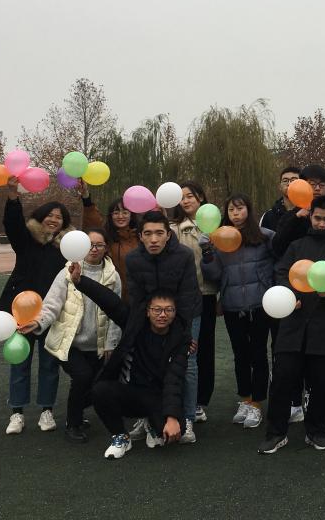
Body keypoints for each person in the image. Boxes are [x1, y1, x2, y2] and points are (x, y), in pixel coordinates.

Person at [259, 195, 325, 454]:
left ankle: (317, 431)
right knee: (282, 379)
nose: (322, 223)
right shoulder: (297, 245)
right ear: (311, 217)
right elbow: (282, 273)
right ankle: (276, 432)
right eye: (317, 218)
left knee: (322, 383)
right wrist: (289, 295)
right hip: (293, 327)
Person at [71, 265, 189, 460]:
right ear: (148, 312)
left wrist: (172, 417)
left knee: (176, 431)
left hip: (157, 396)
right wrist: (80, 281)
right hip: (130, 392)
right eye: (157, 310)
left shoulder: (180, 339)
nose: (162, 315)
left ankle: (152, 423)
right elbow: (111, 303)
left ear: (175, 312)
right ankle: (121, 436)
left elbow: (174, 379)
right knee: (100, 391)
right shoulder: (135, 323)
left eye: (168, 310)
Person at [19, 228, 122, 443]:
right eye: (90, 245)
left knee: (96, 385)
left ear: (106, 248)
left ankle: (77, 412)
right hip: (69, 343)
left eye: (99, 245)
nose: (94, 249)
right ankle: (72, 424)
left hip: (97, 345)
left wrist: (111, 343)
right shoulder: (67, 272)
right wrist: (38, 322)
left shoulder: (113, 276)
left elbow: (115, 312)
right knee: (82, 377)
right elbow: (52, 304)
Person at [0, 177, 71, 436]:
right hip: (21, 311)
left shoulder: (67, 248)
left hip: (52, 313)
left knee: (50, 364)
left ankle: (46, 410)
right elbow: (12, 223)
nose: (54, 219)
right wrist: (12, 195)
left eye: (59, 217)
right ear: (40, 217)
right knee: (19, 362)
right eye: (50, 215)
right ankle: (17, 412)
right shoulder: (26, 240)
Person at [201, 193, 276, 430]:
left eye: (240, 208)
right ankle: (244, 399)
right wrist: (207, 252)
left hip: (260, 303)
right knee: (240, 354)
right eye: (231, 210)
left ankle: (257, 403)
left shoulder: (265, 236)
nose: (236, 213)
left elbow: (278, 264)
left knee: (258, 353)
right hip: (233, 305)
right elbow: (214, 274)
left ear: (248, 210)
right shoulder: (219, 237)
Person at [124, 210, 200, 442]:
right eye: (148, 234)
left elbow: (187, 296)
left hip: (184, 316)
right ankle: (147, 416)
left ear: (168, 234)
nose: (154, 239)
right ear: (140, 236)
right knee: (146, 363)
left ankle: (187, 418)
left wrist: (183, 335)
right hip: (149, 316)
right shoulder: (133, 259)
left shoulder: (184, 255)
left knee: (187, 363)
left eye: (159, 233)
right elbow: (136, 298)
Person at [169, 181, 215, 438]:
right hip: (182, 297)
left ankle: (200, 402)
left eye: (190, 196)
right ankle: (180, 400)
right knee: (185, 349)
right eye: (182, 197)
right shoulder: (173, 228)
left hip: (208, 293)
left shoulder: (214, 225)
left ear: (201, 198)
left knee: (205, 348)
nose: (186, 201)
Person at [80, 186, 137, 302]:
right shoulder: (106, 237)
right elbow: (92, 223)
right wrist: (86, 198)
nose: (120, 216)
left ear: (131, 215)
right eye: (116, 213)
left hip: (136, 297)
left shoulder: (140, 237)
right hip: (110, 294)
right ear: (111, 216)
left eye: (125, 212)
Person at [260, 166, 300, 232]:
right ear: (279, 187)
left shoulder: (309, 213)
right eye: (285, 181)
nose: (289, 184)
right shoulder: (268, 216)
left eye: (294, 180)